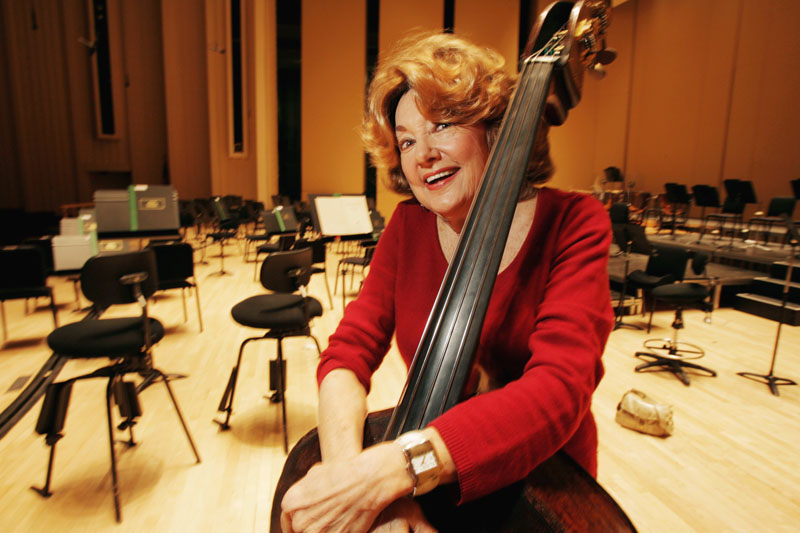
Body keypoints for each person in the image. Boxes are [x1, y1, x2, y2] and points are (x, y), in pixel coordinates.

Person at [280, 31, 613, 533]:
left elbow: (560, 386)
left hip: (539, 482)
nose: (423, 154)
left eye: (444, 124)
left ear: (495, 131)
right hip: (424, 466)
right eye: (407, 139)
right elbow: (346, 355)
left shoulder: (573, 221)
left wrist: (395, 469)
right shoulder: (407, 228)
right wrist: (354, 481)